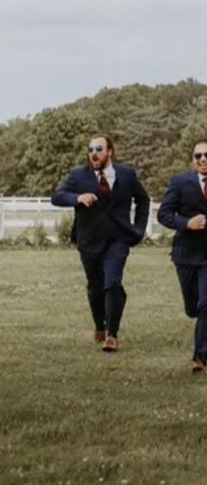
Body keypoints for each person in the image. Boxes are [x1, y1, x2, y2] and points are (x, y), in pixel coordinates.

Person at [51, 133, 150, 352]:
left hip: (118, 238)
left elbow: (143, 200)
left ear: (110, 151)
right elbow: (57, 196)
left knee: (112, 282)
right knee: (95, 287)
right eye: (91, 150)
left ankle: (112, 335)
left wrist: (139, 229)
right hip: (89, 240)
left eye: (98, 149)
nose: (93, 154)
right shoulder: (78, 176)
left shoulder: (127, 175)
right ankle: (99, 325)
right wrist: (77, 198)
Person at [157, 140, 207, 373]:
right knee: (193, 307)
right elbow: (164, 214)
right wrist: (186, 223)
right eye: (198, 156)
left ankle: (200, 357)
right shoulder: (180, 182)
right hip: (186, 255)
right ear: (193, 159)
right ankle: (196, 312)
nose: (203, 160)